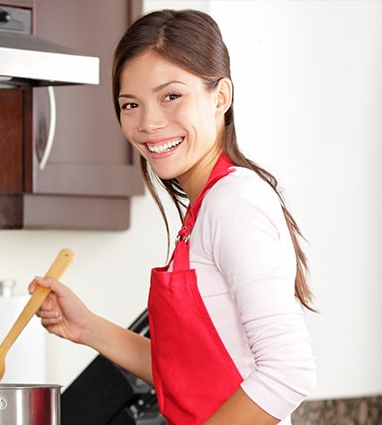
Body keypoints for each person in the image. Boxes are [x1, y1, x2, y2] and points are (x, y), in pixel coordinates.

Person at [29, 9, 317, 425]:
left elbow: (288, 371)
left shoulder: (233, 202)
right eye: (131, 104)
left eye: (170, 96)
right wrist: (87, 327)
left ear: (221, 97)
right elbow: (186, 370)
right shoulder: (204, 209)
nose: (148, 123)